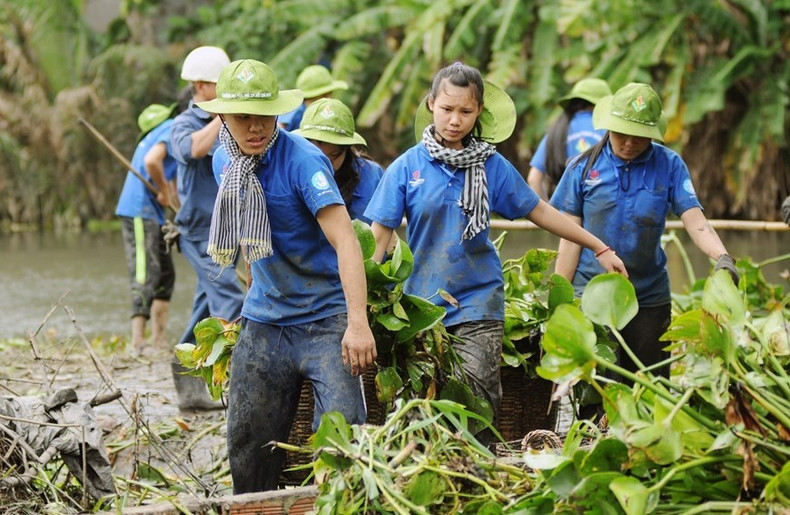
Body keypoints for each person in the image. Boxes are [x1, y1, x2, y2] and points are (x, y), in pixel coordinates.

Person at [363, 62, 628, 439]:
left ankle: (478, 474)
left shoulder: (491, 166)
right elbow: (380, 238)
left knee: (476, 403)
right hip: (420, 307)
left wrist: (599, 246)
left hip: (478, 300)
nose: (455, 120)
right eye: (447, 109)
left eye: (465, 111)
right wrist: (364, 304)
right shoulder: (407, 168)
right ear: (431, 104)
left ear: (479, 113)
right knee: (420, 412)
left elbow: (539, 210)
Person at [197, 58, 375, 493]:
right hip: (267, 318)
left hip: (326, 317)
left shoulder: (304, 162)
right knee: (247, 443)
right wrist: (252, 300)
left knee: (341, 440)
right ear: (223, 116)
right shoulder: (224, 161)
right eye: (243, 117)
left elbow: (347, 242)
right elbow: (247, 234)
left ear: (279, 112)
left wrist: (358, 323)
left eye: (265, 115)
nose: (255, 127)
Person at [550, 82, 738, 378]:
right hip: (593, 296)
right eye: (621, 133)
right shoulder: (583, 167)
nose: (628, 143)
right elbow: (570, 238)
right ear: (609, 126)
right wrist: (558, 303)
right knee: (598, 394)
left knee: (651, 386)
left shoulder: (670, 165)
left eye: (638, 137)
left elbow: (695, 220)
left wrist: (723, 256)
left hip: (648, 298)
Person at [169, 45, 245, 410]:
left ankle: (183, 371)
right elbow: (194, 150)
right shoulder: (184, 124)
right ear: (200, 86)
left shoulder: (234, 122)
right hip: (200, 233)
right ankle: (243, 378)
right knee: (231, 300)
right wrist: (223, 115)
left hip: (230, 227)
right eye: (220, 85)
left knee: (205, 308)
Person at [115, 103, 178, 353]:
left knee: (165, 275)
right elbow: (153, 164)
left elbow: (170, 183)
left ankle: (158, 340)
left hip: (154, 214)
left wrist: (179, 213)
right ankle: (137, 341)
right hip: (139, 211)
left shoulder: (155, 136)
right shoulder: (170, 128)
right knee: (145, 273)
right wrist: (163, 191)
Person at [292, 98, 383, 223]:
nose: (324, 165)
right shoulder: (290, 171)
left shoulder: (371, 175)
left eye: (333, 156)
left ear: (347, 150)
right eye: (316, 156)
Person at [527, 77, 611, 201]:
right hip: (599, 211)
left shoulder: (557, 130)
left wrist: (548, 215)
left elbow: (533, 179)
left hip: (565, 213)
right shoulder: (608, 130)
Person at [277, 64, 348, 131]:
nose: (330, 98)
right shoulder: (296, 112)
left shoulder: (320, 114)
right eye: (325, 95)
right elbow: (279, 128)